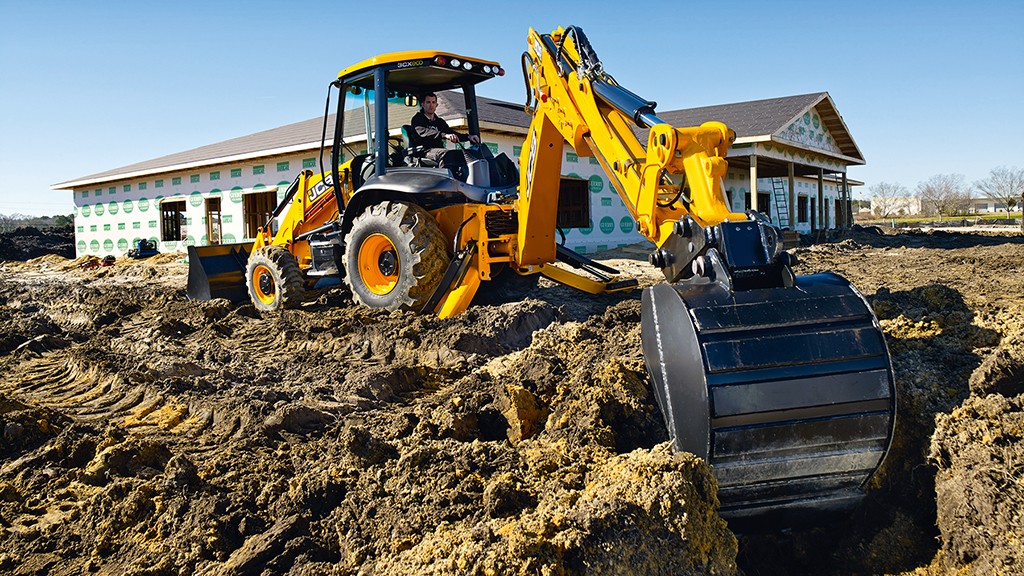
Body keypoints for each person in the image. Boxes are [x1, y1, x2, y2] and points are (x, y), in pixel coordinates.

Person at [410, 93, 480, 178]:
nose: (431, 105)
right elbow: (424, 132)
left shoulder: (439, 122)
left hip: (438, 150)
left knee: (462, 154)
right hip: (424, 151)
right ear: (422, 104)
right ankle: (444, 180)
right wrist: (444, 135)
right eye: (428, 102)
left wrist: (468, 137)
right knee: (446, 154)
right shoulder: (417, 119)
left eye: (433, 102)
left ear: (436, 105)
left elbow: (450, 132)